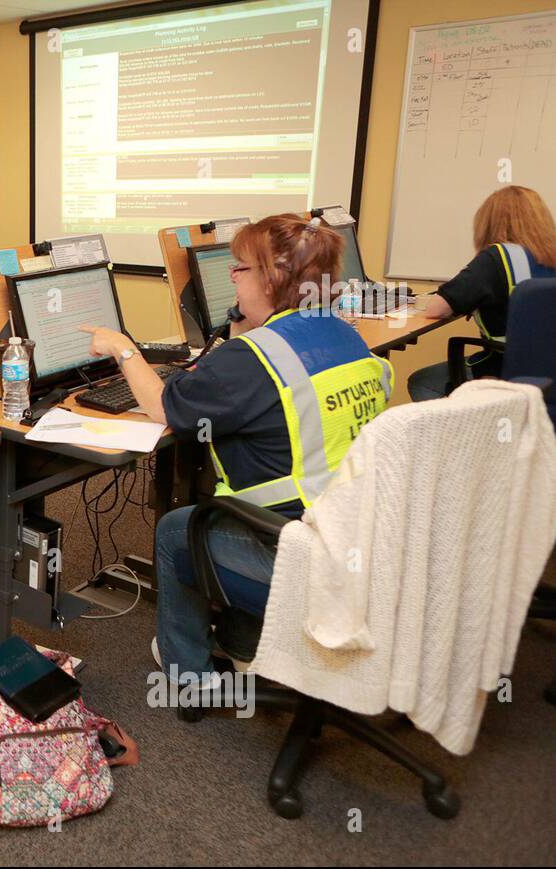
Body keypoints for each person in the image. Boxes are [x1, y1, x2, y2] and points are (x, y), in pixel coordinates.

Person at [80, 214, 393, 687]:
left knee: (176, 529)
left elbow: (166, 407)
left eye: (240, 268)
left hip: (301, 553)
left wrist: (124, 350)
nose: (230, 276)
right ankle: (245, 642)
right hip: (363, 536)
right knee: (232, 505)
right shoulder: (342, 334)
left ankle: (190, 675)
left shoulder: (251, 359)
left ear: (274, 279)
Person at [406, 186, 556, 402]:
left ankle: (471, 434)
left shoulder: (498, 256)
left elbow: (436, 308)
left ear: (490, 222)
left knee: (423, 382)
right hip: (547, 372)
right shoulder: (550, 257)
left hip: (506, 370)